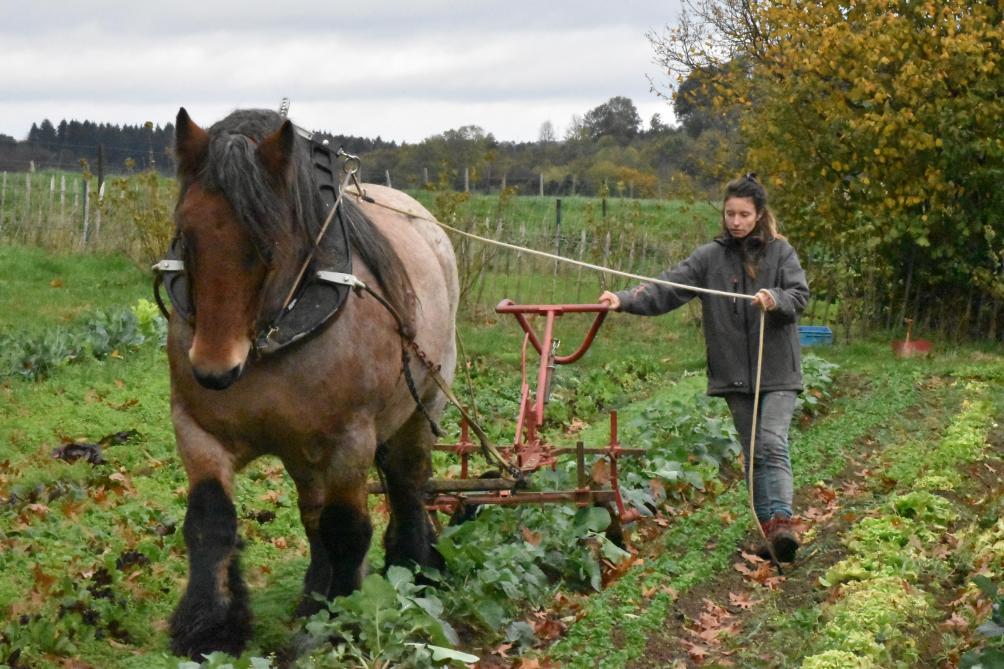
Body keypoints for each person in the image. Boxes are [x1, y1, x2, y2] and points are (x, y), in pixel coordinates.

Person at [598, 174, 809, 562]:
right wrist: (623, 299)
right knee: (752, 451)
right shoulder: (709, 258)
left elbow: (799, 296)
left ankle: (783, 520)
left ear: (759, 215)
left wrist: (774, 298)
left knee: (770, 444)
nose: (736, 221)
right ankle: (770, 534)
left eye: (744, 214)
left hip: (778, 371)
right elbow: (666, 287)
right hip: (735, 374)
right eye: (730, 213)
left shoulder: (781, 253)